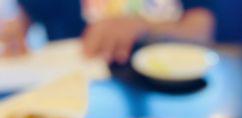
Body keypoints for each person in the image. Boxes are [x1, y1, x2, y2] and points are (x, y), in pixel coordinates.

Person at [0, 0, 215, 63]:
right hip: (78, 96)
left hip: (174, 93)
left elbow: (200, 30)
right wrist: (14, 31)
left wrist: (143, 26)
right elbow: (25, 18)